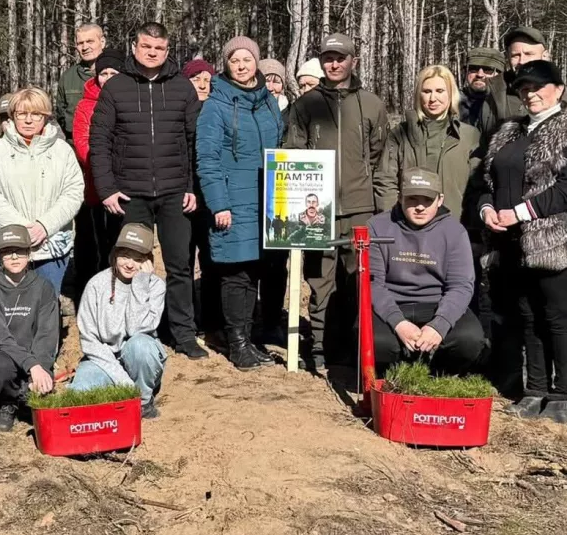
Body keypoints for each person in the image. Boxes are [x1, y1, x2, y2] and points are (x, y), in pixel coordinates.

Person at [480, 59, 567, 424]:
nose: (530, 93)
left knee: (559, 318)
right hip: (513, 243)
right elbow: (486, 182)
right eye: (523, 88)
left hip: (558, 242)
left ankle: (564, 395)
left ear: (558, 89)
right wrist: (487, 209)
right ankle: (534, 389)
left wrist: (518, 212)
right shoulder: (509, 132)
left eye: (538, 87)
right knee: (529, 318)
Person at [88, 21, 204, 358]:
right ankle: (128, 332)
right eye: (146, 47)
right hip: (130, 195)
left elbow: (194, 141)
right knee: (129, 266)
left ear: (167, 51)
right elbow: (100, 141)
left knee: (180, 265)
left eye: (159, 48)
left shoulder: (183, 88)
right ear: (135, 48)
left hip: (174, 193)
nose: (152, 53)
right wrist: (107, 188)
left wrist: (192, 187)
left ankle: (183, 333)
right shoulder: (116, 87)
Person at [284, 33, 388, 371]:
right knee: (319, 281)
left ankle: (355, 345)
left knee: (357, 278)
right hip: (317, 209)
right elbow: (294, 153)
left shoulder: (371, 104)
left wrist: (377, 204)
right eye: (328, 57)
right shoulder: (305, 104)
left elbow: (378, 156)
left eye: (341, 58)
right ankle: (320, 346)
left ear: (353, 61)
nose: (334, 63)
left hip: (360, 208)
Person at [196, 36, 285, 369]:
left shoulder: (268, 103)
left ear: (257, 63)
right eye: (236, 60)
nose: (243, 65)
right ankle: (237, 344)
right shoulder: (214, 107)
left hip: (268, 202)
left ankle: (249, 340)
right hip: (234, 201)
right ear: (227, 64)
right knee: (237, 273)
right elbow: (207, 158)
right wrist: (219, 204)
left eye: (248, 59)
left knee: (258, 270)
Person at [366, 169, 485, 375]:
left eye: (427, 200)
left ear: (440, 200)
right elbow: (372, 283)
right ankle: (395, 375)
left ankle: (437, 374)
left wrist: (439, 325)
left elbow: (461, 286)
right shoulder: (377, 227)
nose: (419, 207)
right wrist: (399, 323)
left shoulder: (455, 232)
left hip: (436, 303)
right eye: (412, 199)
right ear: (400, 197)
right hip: (393, 304)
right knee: (378, 343)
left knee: (470, 340)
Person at [0, 87, 84, 293]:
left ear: (46, 116)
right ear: (12, 116)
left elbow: (73, 192)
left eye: (36, 114)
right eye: (22, 114)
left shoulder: (63, 151)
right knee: (8, 309)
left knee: (47, 309)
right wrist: (20, 228)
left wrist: (45, 226)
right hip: (7, 244)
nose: (28, 120)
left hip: (50, 246)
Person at [72, 223, 167, 417]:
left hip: (139, 359)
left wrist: (140, 285)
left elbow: (137, 329)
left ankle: (143, 401)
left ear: (148, 261)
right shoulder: (97, 284)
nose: (130, 264)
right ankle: (122, 395)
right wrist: (122, 379)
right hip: (104, 359)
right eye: (124, 256)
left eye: (138, 258)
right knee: (79, 391)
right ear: (115, 255)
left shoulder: (156, 286)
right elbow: (89, 341)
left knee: (141, 346)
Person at [0, 225, 61, 431]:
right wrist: (32, 365)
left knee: (43, 392)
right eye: (6, 251)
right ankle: (4, 403)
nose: (14, 257)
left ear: (29, 254)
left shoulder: (44, 288)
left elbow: (46, 336)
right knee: (0, 367)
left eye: (20, 251)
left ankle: (26, 391)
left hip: (32, 364)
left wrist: (40, 370)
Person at [374, 65, 482, 217]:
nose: (433, 98)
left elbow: (478, 186)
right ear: (419, 95)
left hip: (455, 226)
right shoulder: (400, 134)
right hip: (409, 227)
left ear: (451, 94)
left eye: (440, 91)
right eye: (427, 91)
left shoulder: (469, 136)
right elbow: (385, 182)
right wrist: (393, 220)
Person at [70, 52, 123, 298]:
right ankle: (96, 293)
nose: (109, 78)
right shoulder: (85, 105)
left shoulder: (130, 99)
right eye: (104, 73)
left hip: (126, 183)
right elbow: (82, 143)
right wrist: (104, 165)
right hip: (96, 184)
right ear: (97, 76)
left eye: (114, 73)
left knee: (122, 242)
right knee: (98, 243)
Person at [501, 25, 567, 116]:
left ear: (545, 56)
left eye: (529, 54)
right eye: (515, 55)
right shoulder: (496, 93)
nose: (522, 61)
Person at [56, 23, 106, 138]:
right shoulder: (68, 77)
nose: (85, 47)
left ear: (102, 42)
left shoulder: (116, 73)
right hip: (75, 146)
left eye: (90, 41)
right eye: (80, 43)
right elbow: (60, 113)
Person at [459, 48, 508, 143]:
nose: (480, 74)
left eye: (488, 70)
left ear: (500, 74)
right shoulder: (451, 103)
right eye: (473, 69)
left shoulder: (510, 105)